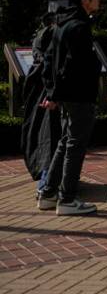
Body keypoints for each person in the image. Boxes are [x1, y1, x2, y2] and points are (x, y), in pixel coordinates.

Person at [37, 0, 103, 216]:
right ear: (85, 0)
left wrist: (53, 93)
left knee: (66, 142)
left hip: (67, 96)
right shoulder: (79, 27)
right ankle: (66, 199)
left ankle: (48, 193)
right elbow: (72, 66)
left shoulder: (61, 24)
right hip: (79, 96)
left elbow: (49, 62)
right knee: (75, 145)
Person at [21, 13, 60, 196]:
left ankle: (47, 181)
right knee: (51, 136)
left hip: (38, 91)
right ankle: (46, 185)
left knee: (43, 135)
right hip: (49, 91)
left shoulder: (40, 37)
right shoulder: (52, 34)